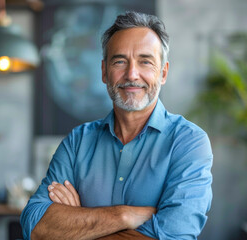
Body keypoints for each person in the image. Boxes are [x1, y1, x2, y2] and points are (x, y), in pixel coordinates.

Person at [20, 11, 213, 240]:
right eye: (120, 61)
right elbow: (35, 226)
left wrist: (79, 222)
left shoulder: (188, 142)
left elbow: (175, 236)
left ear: (163, 73)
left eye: (145, 61)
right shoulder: (77, 142)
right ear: (104, 72)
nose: (132, 74)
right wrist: (123, 216)